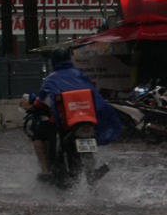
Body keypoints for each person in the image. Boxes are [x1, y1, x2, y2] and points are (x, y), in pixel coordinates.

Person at [18, 47, 121, 182]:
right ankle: (91, 170)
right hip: (87, 119)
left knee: (38, 136)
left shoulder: (52, 78)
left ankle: (45, 170)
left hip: (63, 122)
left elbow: (41, 101)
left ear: (53, 61)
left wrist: (33, 106)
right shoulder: (79, 74)